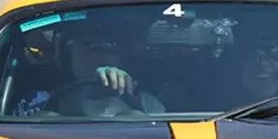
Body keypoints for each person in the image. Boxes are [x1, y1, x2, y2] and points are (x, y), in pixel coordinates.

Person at [14, 26, 165, 117]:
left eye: (109, 47)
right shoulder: (35, 103)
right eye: (87, 46)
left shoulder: (148, 103)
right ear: (67, 56)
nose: (99, 55)